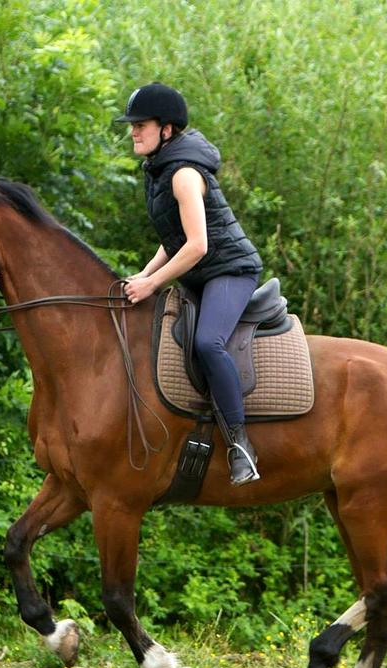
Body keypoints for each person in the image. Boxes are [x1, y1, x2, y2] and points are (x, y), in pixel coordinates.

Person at [117, 82, 262, 486]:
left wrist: (152, 285)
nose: (133, 132)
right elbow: (173, 240)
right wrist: (143, 276)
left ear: (167, 130)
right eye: (132, 125)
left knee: (206, 343)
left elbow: (197, 245)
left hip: (230, 270)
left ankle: (240, 446)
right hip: (202, 271)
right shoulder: (159, 171)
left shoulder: (182, 174)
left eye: (140, 125)